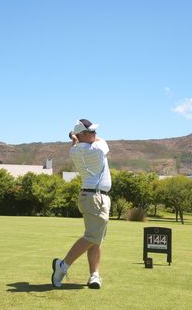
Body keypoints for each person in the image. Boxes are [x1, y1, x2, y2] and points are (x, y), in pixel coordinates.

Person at [51, 119, 111, 289]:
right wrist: (75, 136)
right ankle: (62, 266)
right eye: (91, 131)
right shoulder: (98, 148)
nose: (95, 134)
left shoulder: (74, 150)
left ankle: (94, 275)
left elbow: (80, 141)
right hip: (95, 198)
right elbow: (101, 140)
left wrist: (74, 137)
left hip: (95, 197)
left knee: (96, 239)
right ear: (82, 135)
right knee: (92, 237)